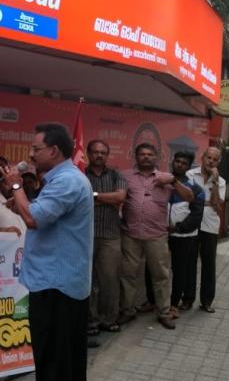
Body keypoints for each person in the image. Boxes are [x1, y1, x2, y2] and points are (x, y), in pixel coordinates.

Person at [3, 123, 93, 381]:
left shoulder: (67, 181)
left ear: (54, 151)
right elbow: (37, 213)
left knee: (53, 362)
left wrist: (16, 185)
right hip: (63, 283)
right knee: (68, 362)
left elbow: (34, 219)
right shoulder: (62, 179)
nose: (30, 154)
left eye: (35, 149)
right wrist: (19, 197)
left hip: (56, 285)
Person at [118, 143, 193, 330]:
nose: (146, 157)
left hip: (156, 236)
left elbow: (190, 197)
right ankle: (128, 310)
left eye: (150, 154)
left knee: (161, 276)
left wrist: (173, 181)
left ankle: (164, 312)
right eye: (142, 154)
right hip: (131, 234)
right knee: (128, 274)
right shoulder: (125, 176)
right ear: (136, 156)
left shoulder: (166, 178)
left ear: (156, 157)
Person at [85, 140, 127, 335]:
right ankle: (91, 321)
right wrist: (106, 198)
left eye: (103, 152)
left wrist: (93, 196)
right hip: (86, 236)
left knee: (110, 280)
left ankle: (109, 319)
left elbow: (120, 197)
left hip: (111, 236)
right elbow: (79, 200)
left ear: (107, 155)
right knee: (89, 281)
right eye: (95, 152)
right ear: (88, 154)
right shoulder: (81, 175)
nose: (99, 155)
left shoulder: (116, 175)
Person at [186, 147, 227, 312]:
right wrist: (205, 202)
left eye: (215, 159)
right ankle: (187, 299)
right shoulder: (190, 175)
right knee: (189, 261)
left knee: (209, 263)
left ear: (218, 162)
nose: (211, 161)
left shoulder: (221, 181)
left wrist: (215, 181)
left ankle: (207, 301)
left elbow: (217, 205)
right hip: (191, 222)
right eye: (208, 157)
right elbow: (187, 198)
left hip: (210, 224)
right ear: (202, 158)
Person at [167, 152, 205, 311]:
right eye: (177, 161)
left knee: (180, 270)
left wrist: (178, 228)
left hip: (184, 236)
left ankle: (174, 304)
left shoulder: (195, 189)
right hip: (160, 234)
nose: (179, 164)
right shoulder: (162, 182)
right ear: (173, 162)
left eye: (184, 163)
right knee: (154, 268)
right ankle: (153, 300)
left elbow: (196, 217)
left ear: (188, 167)